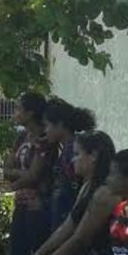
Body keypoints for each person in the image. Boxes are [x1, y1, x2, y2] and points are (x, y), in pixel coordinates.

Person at [5, 93, 55, 255]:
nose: (14, 112)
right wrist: (19, 175)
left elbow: (34, 175)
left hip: (38, 204)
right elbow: (6, 170)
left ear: (31, 113)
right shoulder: (21, 137)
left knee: (37, 254)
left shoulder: (45, 138)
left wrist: (15, 178)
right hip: (21, 202)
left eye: (18, 108)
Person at [43, 98, 97, 230]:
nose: (45, 131)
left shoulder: (72, 152)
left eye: (47, 125)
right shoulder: (66, 150)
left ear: (60, 125)